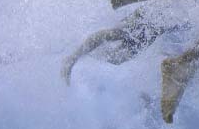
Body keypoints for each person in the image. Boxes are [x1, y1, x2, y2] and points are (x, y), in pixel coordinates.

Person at [61, 8, 192, 85]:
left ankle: (90, 52)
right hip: (148, 15)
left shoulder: (195, 15)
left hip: (154, 31)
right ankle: (72, 58)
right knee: (116, 34)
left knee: (118, 59)